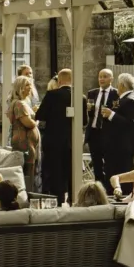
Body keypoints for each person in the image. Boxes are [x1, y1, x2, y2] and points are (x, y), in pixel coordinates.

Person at [37, 68, 74, 201]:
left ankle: (58, 201)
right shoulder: (80, 97)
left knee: (55, 171)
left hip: (53, 140)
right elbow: (85, 121)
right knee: (71, 171)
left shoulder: (52, 95)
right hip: (71, 140)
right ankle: (73, 198)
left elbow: (40, 115)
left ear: (59, 81)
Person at [102, 73, 134, 177]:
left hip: (122, 147)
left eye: (118, 84)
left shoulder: (130, 100)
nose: (117, 86)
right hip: (117, 146)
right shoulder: (123, 99)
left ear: (122, 85)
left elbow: (129, 123)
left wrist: (112, 114)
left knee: (122, 176)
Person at [85, 68, 120, 185]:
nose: (101, 79)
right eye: (100, 76)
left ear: (111, 79)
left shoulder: (116, 94)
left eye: (105, 76)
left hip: (108, 134)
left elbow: (117, 112)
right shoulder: (92, 93)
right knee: (96, 164)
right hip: (94, 133)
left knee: (109, 164)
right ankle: (99, 189)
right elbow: (89, 113)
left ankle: (109, 189)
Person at [8, 75, 40, 189]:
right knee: (27, 173)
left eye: (30, 84)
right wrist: (36, 120)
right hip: (24, 144)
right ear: (20, 87)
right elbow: (28, 123)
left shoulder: (23, 102)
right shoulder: (19, 104)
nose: (30, 87)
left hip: (28, 143)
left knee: (30, 171)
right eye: (27, 85)